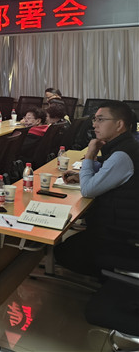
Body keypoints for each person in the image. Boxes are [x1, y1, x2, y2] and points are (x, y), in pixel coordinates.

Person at [56, 101, 139, 277]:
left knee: (64, 252)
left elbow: (88, 190)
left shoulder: (122, 155)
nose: (94, 125)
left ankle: (114, 277)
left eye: (100, 119)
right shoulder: (127, 146)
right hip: (123, 227)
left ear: (119, 124)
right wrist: (86, 174)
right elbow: (112, 173)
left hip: (123, 235)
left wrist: (90, 155)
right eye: (94, 119)